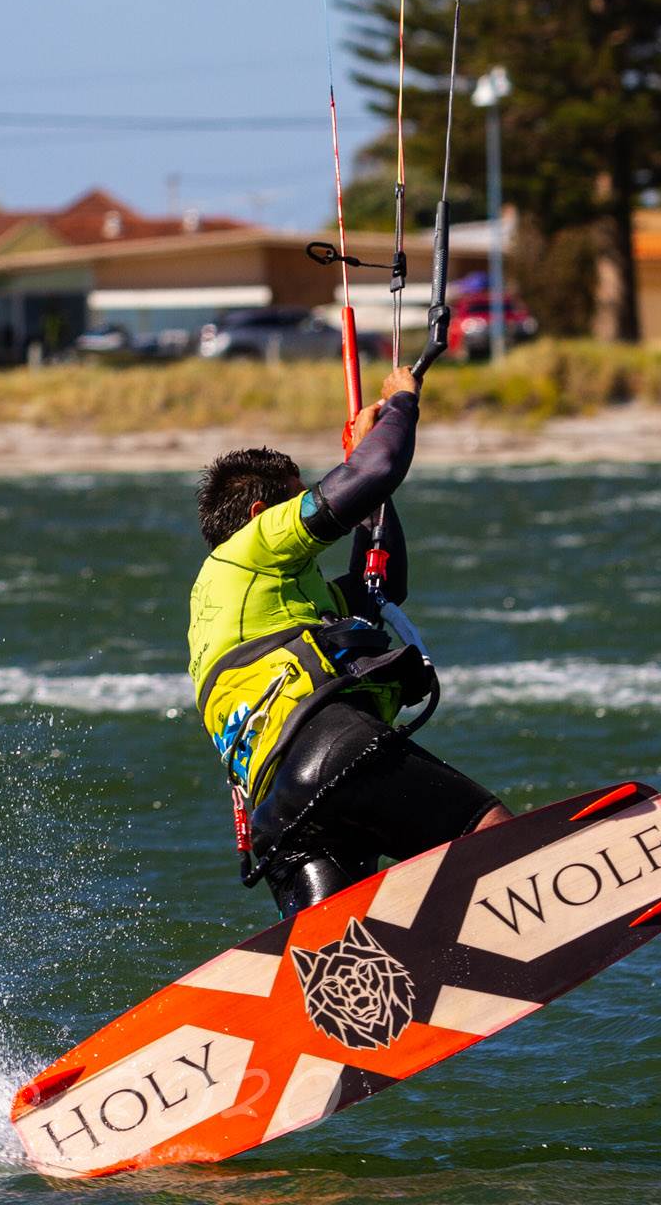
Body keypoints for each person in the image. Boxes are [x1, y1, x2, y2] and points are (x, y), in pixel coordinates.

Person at [186, 364, 510, 917]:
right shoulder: (254, 544)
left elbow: (381, 586)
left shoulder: (241, 603)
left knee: (340, 954)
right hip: (331, 749)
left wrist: (371, 494)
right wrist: (401, 404)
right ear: (261, 515)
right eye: (297, 500)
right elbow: (376, 469)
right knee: (495, 840)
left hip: (281, 814)